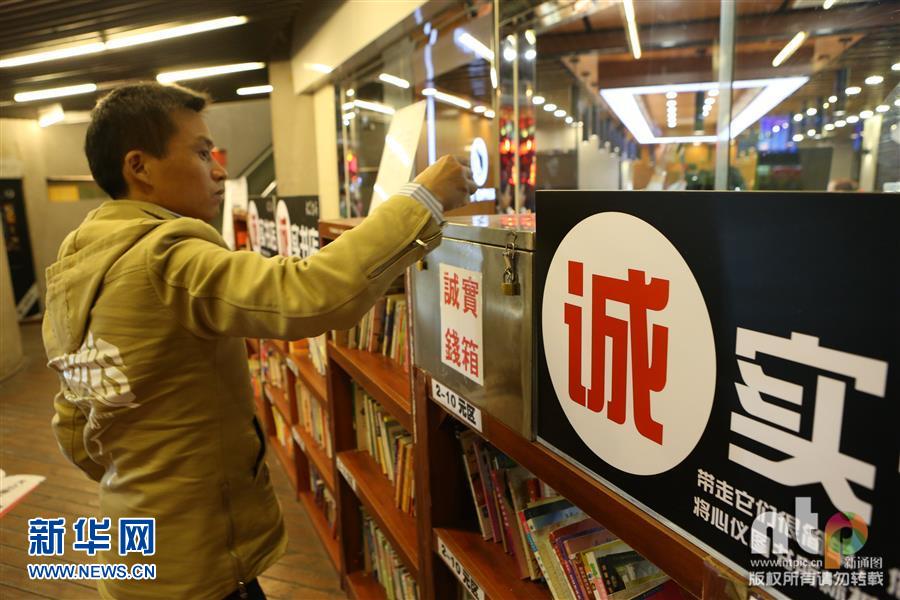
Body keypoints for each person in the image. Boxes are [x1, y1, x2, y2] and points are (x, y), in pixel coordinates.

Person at [41, 82, 476, 600]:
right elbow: (309, 294)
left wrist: (141, 470)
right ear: (139, 167)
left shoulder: (79, 261)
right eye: (203, 153)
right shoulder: (164, 255)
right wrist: (422, 199)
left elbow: (72, 423)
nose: (220, 170)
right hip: (200, 562)